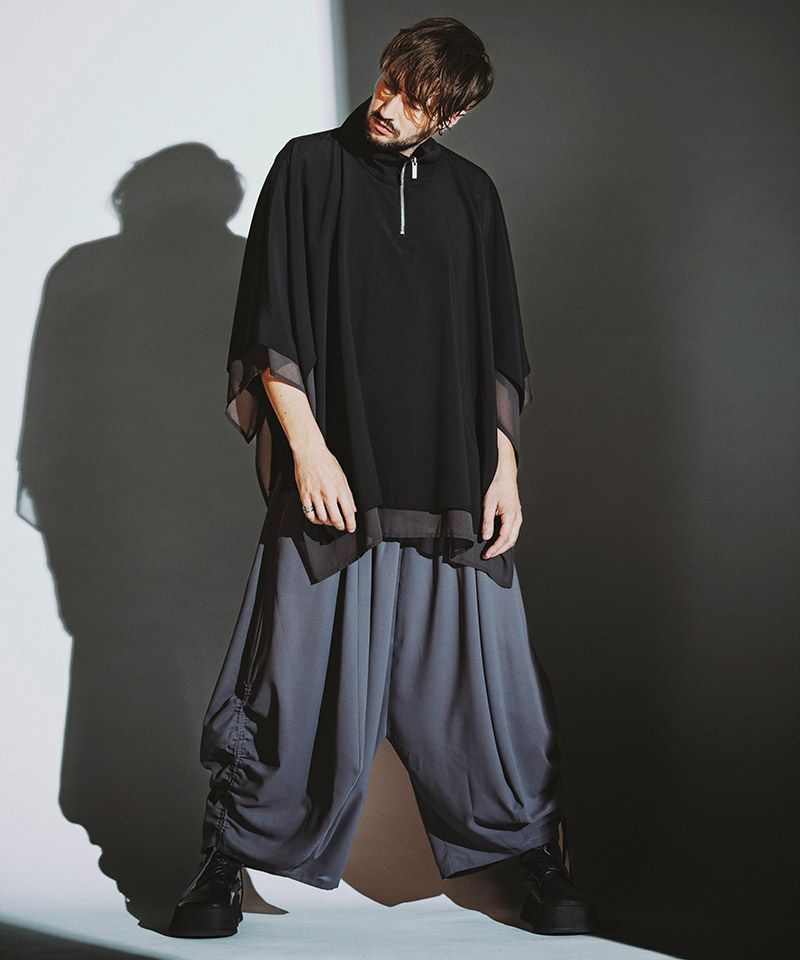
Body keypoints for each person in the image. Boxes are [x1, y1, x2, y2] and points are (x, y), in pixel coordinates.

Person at [168, 16, 600, 940]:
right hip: (337, 473)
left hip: (452, 478)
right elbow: (273, 321)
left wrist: (506, 472)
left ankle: (531, 851)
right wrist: (309, 448)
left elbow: (498, 347)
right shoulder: (307, 170)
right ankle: (225, 857)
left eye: (416, 99)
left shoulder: (473, 196)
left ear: (454, 115)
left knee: (491, 690)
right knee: (286, 677)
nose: (389, 104)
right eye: (391, 79)